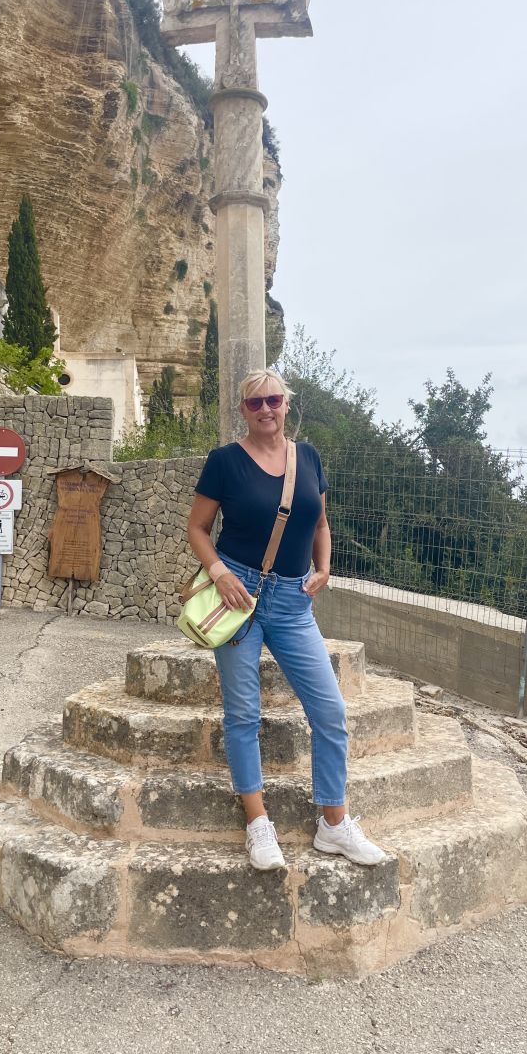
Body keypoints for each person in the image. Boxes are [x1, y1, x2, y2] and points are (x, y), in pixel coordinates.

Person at [186, 369, 385, 871]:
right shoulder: (225, 462)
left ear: (286, 404)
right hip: (239, 597)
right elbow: (198, 527)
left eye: (273, 400)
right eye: (255, 403)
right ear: (243, 410)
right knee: (243, 715)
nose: (266, 409)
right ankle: (259, 825)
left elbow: (319, 521)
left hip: (294, 603)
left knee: (331, 712)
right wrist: (217, 571)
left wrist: (325, 567)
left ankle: (334, 825)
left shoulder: (309, 457)